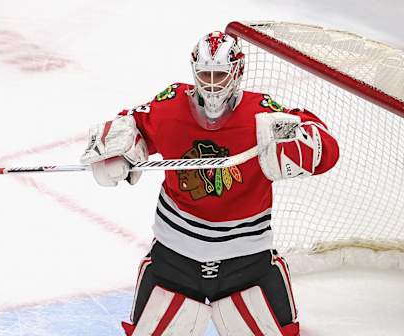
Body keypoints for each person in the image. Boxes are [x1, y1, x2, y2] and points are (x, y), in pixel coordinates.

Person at [81, 31, 339, 336]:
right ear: (194, 71)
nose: (213, 84)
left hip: (247, 262)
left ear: (237, 72)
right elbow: (131, 124)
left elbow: (326, 148)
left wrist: (302, 144)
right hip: (175, 258)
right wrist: (118, 151)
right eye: (206, 74)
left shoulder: (261, 113)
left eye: (220, 74)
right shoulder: (171, 105)